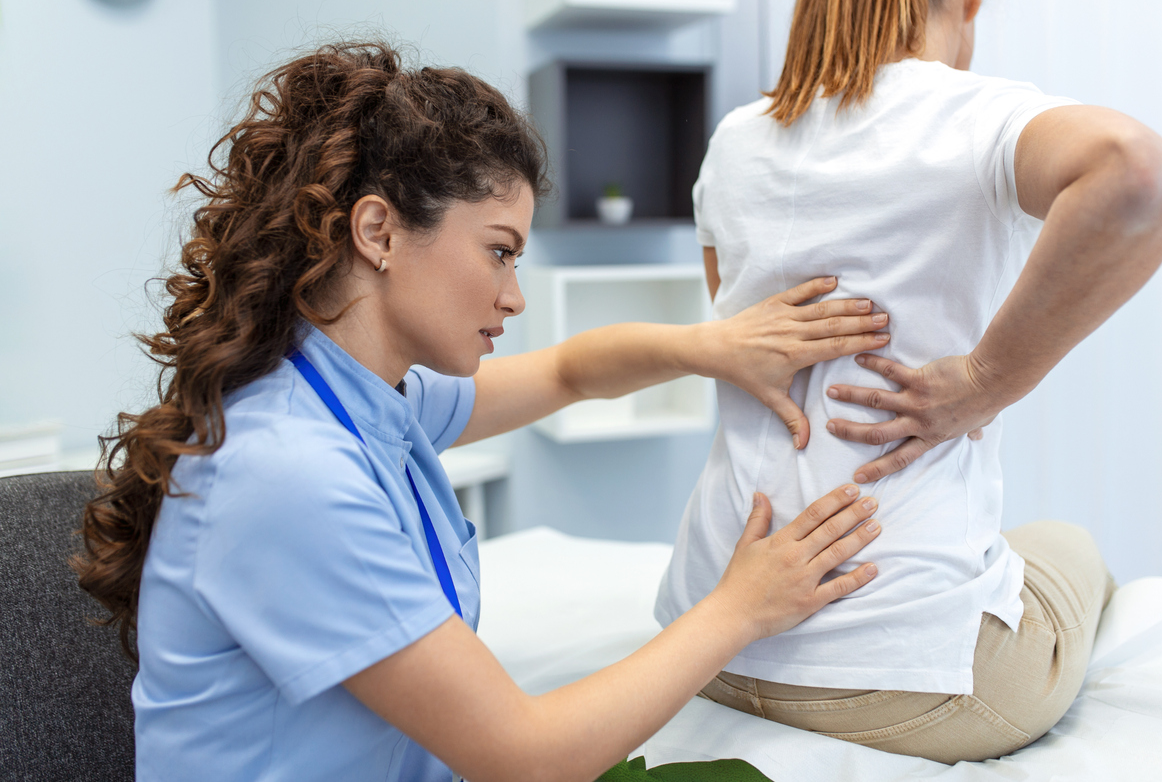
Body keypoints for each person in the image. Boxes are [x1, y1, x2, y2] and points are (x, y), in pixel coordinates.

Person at [72, 42, 894, 782]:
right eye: (499, 251)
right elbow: (526, 758)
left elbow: (569, 372)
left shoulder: (370, 399)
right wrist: (741, 608)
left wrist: (714, 347)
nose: (514, 296)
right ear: (378, 232)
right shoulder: (287, 468)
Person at [655, 0, 1162, 764]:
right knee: (1070, 545)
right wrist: (983, 380)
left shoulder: (734, 138)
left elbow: (739, 336)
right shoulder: (974, 116)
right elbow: (1138, 174)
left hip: (708, 644)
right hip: (906, 683)